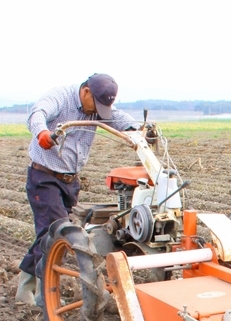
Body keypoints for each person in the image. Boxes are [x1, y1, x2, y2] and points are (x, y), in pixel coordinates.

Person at [15, 73, 138, 306]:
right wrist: (42, 133)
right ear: (86, 92)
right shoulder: (61, 97)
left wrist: (137, 129)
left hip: (70, 181)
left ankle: (24, 289)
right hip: (45, 176)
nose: (98, 112)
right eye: (97, 105)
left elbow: (116, 117)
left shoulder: (97, 109)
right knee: (55, 232)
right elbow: (38, 113)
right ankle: (44, 295)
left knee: (52, 233)